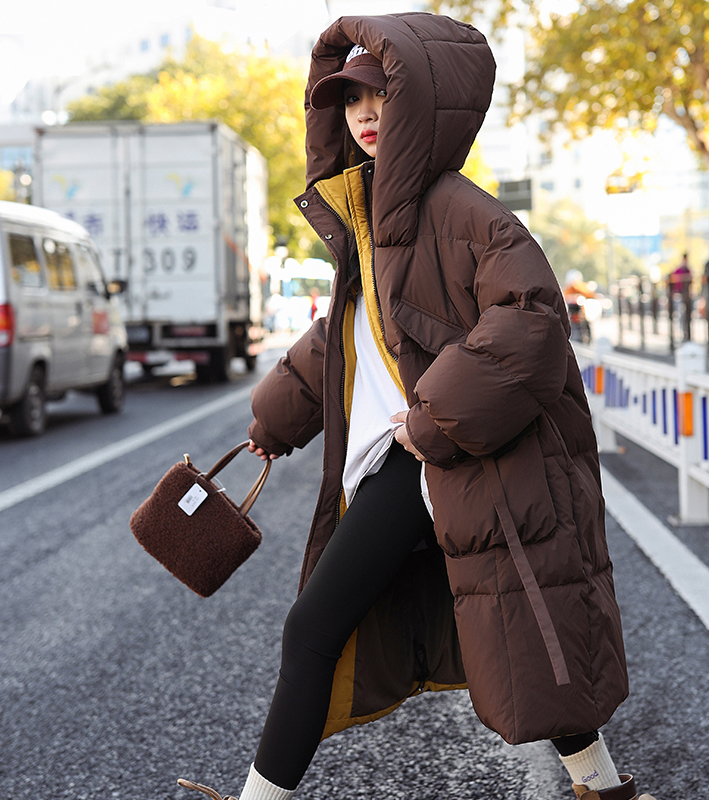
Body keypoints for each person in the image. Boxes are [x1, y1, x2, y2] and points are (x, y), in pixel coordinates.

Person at [178, 14, 655, 800]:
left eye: (381, 96)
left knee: (318, 628)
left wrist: (432, 418)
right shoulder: (370, 217)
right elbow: (351, 335)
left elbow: (531, 320)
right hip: (425, 456)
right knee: (513, 631)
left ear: (422, 107)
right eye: (349, 102)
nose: (363, 116)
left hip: (443, 457)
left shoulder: (465, 212)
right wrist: (276, 418)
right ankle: (602, 787)